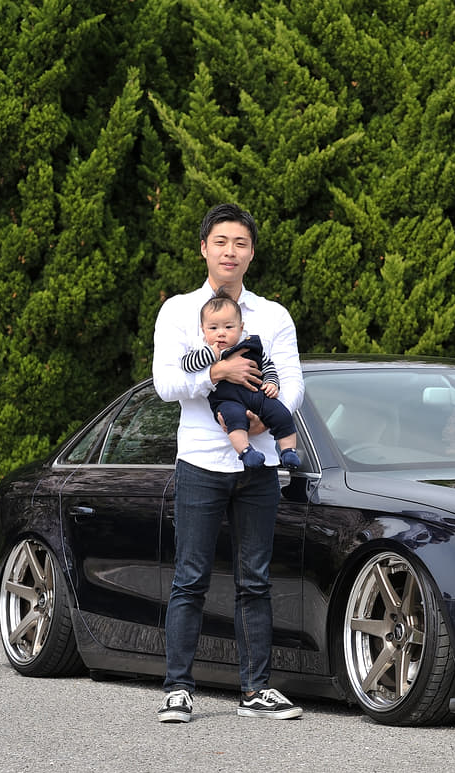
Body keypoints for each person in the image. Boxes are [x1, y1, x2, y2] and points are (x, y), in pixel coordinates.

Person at [151, 202, 304, 722]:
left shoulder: (273, 316)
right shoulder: (178, 311)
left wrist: (263, 419)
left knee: (255, 580)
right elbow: (165, 384)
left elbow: (293, 382)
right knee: (190, 578)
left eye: (240, 243)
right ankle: (178, 690)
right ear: (204, 249)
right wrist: (217, 373)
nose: (230, 252)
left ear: (252, 253)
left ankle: (256, 690)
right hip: (199, 462)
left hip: (258, 465)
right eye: (221, 242)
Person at [180, 288, 302, 469]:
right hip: (227, 400)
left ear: (241, 327)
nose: (221, 333)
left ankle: (288, 451)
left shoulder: (252, 346)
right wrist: (212, 355)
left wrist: (271, 382)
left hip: (259, 396)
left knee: (281, 413)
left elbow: (268, 366)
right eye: (213, 328)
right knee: (234, 419)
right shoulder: (203, 351)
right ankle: (246, 452)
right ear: (203, 330)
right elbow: (187, 365)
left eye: (228, 327)